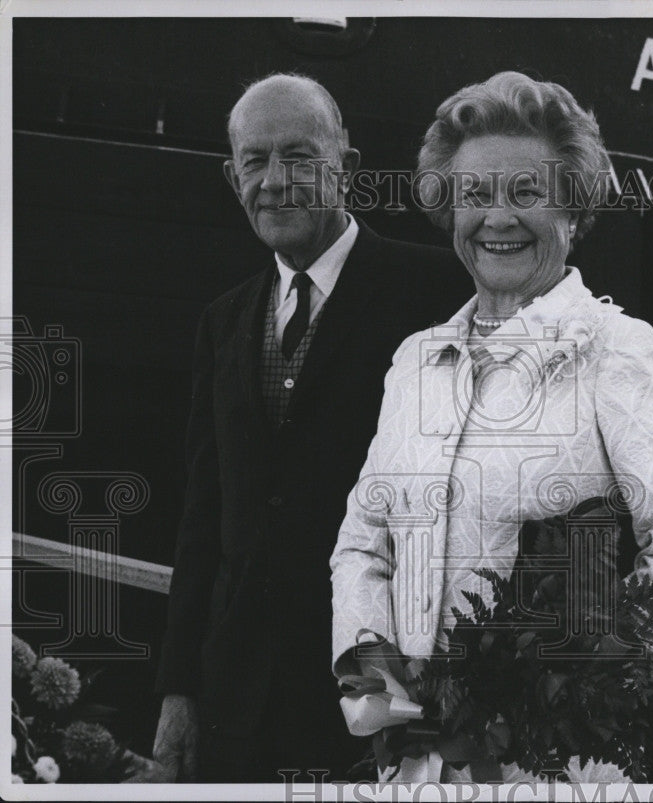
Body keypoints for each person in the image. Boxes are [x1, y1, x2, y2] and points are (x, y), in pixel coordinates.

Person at [330, 71, 653, 782]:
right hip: (408, 768)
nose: (497, 218)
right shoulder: (415, 361)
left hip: (544, 771)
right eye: (475, 195)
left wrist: (559, 694)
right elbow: (364, 543)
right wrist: (374, 681)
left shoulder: (617, 349)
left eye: (526, 193)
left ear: (572, 210)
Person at [152, 73, 468, 782]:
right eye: (254, 162)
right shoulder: (224, 322)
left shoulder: (436, 293)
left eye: (298, 156)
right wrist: (180, 692)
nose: (274, 181)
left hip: (375, 712)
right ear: (232, 178)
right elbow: (203, 521)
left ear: (346, 170)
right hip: (235, 710)